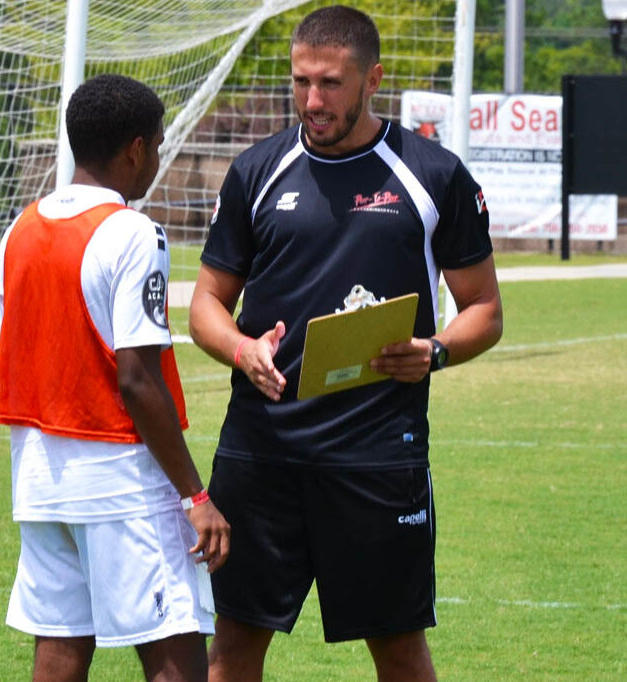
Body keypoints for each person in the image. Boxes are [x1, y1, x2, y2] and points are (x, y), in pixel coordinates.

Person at [188, 6, 503, 682]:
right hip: (260, 452)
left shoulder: (432, 174)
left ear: (372, 80)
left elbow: (483, 309)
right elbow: (206, 305)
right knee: (234, 643)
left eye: (330, 83)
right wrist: (241, 350)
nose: (311, 100)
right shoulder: (256, 171)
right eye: (300, 81)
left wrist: (436, 351)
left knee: (396, 647)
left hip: (374, 458)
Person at [0, 73, 230, 682]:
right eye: (159, 141)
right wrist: (195, 496)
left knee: (62, 643)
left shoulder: (20, 228)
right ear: (136, 149)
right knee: (174, 646)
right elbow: (137, 380)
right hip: (118, 475)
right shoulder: (132, 233)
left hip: (39, 476)